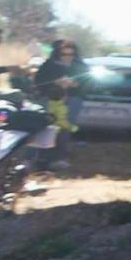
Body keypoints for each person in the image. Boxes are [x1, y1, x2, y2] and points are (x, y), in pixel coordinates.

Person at [32, 39, 88, 168]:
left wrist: (75, 84)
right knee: (46, 126)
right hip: (50, 99)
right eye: (64, 54)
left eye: (71, 54)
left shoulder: (80, 66)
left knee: (65, 127)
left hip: (73, 99)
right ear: (58, 54)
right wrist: (55, 82)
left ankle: (59, 158)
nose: (67, 57)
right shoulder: (49, 65)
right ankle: (40, 158)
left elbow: (88, 83)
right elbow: (39, 82)